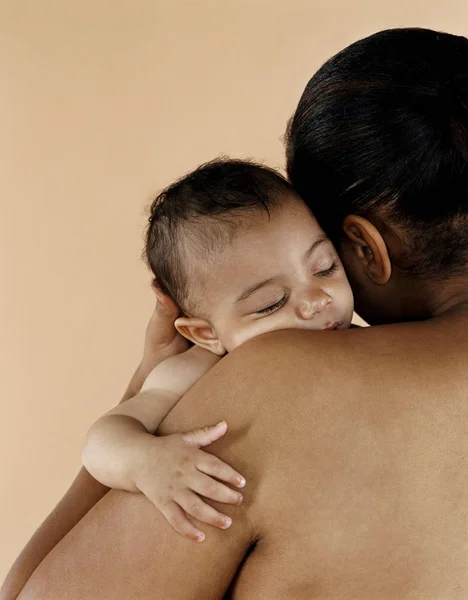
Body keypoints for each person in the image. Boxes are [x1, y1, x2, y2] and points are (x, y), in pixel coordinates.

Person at [3, 26, 468, 600]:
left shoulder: (280, 385)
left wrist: (142, 387)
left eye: (325, 257)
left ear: (365, 247)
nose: (315, 302)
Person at [81, 159, 354, 542]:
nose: (316, 301)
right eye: (272, 303)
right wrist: (147, 461)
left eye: (325, 268)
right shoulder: (198, 370)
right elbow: (102, 440)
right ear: (207, 333)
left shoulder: (359, 341)